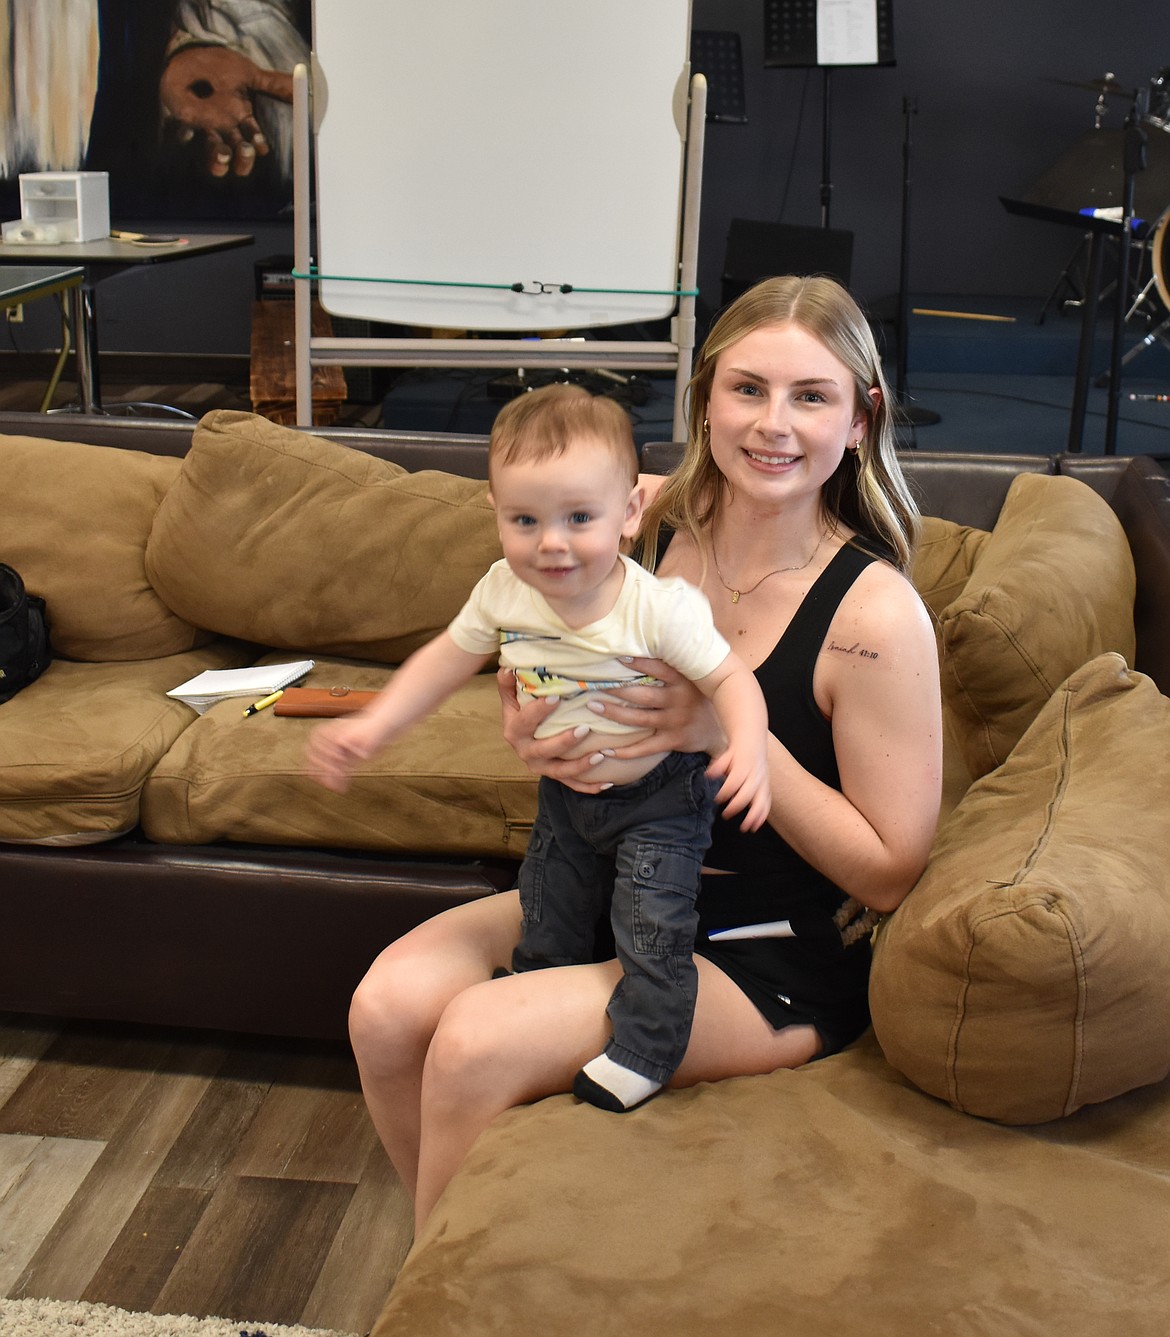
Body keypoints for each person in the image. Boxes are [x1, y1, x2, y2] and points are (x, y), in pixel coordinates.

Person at [346, 275, 943, 1236]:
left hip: (764, 948)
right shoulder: (648, 519)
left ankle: (437, 1290)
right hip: (613, 884)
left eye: (811, 396)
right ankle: (443, 1262)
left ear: (860, 421)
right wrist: (530, 724)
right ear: (705, 401)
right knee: (385, 1009)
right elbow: (537, 647)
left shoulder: (875, 615)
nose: (773, 424)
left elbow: (888, 871)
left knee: (472, 1042)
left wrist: (723, 732)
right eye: (747, 388)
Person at [307, 383, 771, 1117]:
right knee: (548, 909)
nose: (551, 543)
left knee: (652, 926)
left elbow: (730, 679)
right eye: (525, 520)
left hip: (659, 801)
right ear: (496, 513)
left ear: (629, 512)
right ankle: (533, 1000)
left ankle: (647, 1047)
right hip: (567, 797)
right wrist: (375, 724)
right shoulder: (503, 590)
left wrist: (747, 747)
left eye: (579, 518)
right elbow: (445, 659)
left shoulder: (657, 607)